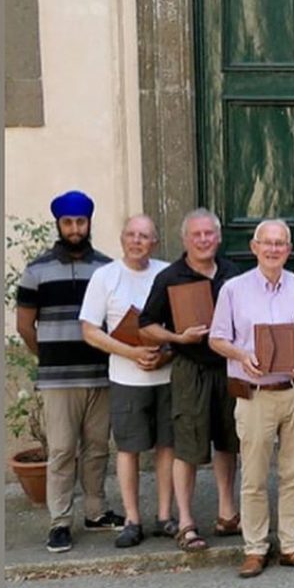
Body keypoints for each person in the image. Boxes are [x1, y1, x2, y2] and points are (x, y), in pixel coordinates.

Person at [209, 219, 294, 577]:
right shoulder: (233, 289)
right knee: (254, 475)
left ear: (289, 250)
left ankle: (292, 544)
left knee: (293, 474)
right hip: (254, 393)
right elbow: (216, 338)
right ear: (254, 247)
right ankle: (255, 548)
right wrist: (242, 356)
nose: (274, 249)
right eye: (267, 243)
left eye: (280, 244)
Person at [16, 190, 122, 553]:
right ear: (58, 225)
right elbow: (25, 327)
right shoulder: (36, 271)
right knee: (62, 451)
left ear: (89, 223)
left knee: (96, 448)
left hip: (100, 374)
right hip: (59, 379)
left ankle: (96, 511)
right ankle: (60, 522)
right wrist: (48, 357)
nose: (75, 229)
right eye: (68, 222)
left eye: (81, 222)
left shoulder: (107, 269)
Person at [138, 209, 241, 553]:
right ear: (185, 239)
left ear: (219, 236)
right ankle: (185, 521)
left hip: (227, 367)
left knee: (229, 441)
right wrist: (179, 338)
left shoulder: (232, 274)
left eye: (209, 234)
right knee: (188, 445)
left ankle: (228, 512)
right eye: (196, 235)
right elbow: (146, 325)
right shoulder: (170, 277)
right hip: (190, 369)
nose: (203, 240)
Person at [79, 214, 176, 548]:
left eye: (145, 236)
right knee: (129, 449)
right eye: (131, 235)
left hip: (166, 375)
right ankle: (132, 520)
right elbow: (90, 330)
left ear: (155, 242)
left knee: (168, 446)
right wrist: (131, 353)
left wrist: (165, 354)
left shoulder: (167, 274)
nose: (137, 241)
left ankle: (165, 516)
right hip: (125, 378)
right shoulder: (105, 277)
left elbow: (180, 325)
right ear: (122, 239)